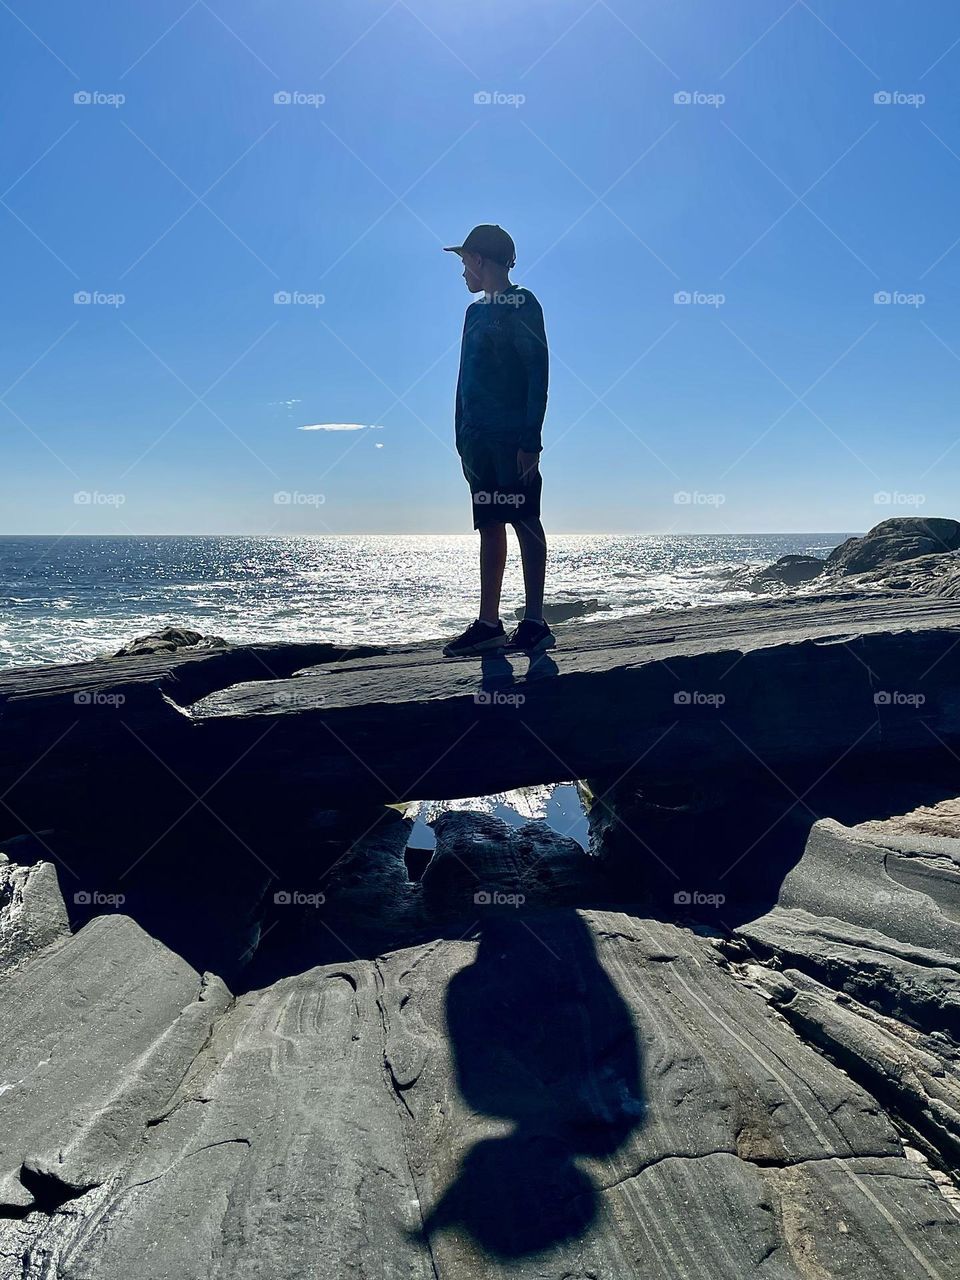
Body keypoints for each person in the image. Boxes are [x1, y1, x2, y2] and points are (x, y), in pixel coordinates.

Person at [441, 224, 555, 657]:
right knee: (489, 524)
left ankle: (535, 621)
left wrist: (531, 439)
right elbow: (462, 380)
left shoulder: (522, 304)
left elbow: (537, 372)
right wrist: (461, 438)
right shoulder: (473, 313)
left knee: (524, 519)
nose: (462, 271)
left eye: (464, 261)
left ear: (481, 260)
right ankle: (489, 622)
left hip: (514, 438)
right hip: (477, 441)